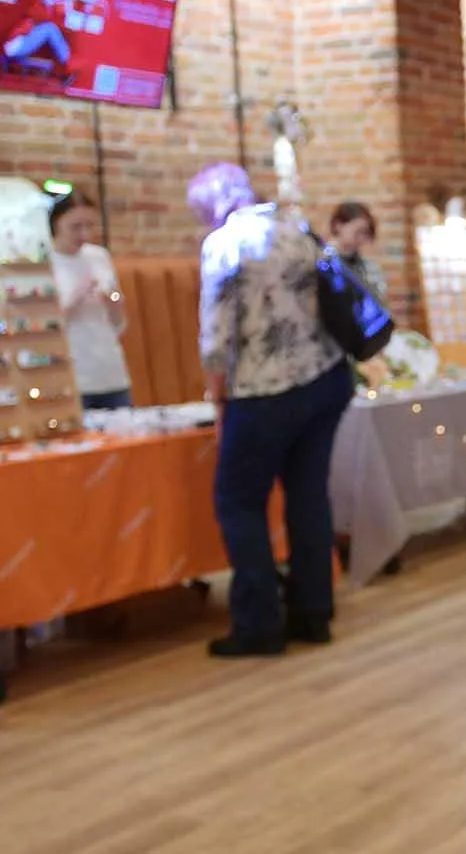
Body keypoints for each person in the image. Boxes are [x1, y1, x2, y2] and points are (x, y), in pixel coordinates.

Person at [194, 163, 352, 658]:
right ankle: (313, 612)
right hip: (325, 378)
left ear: (215, 205)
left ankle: (258, 623)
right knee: (308, 497)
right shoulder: (297, 229)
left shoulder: (225, 244)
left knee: (239, 501)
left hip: (262, 390)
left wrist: (215, 396)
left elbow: (215, 337)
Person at [47, 191, 132, 410]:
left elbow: (119, 324)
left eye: (90, 225)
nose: (84, 234)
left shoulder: (99, 256)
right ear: (56, 223)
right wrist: (74, 299)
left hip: (110, 370)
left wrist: (114, 301)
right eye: (75, 226)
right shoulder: (46, 263)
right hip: (71, 375)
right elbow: (44, 329)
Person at [326, 201, 389, 302]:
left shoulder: (369, 269)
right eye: (358, 232)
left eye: (365, 233)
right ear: (338, 225)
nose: (362, 238)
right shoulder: (321, 262)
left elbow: (378, 303)